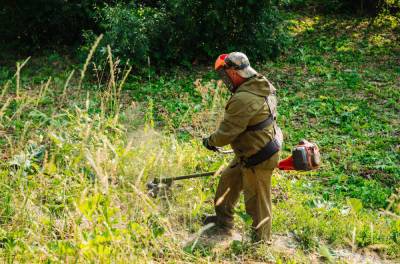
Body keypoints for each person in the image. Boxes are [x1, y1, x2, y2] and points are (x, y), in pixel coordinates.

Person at [202, 52, 283, 243]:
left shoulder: (244, 98)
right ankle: (223, 223)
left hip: (259, 156)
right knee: (228, 182)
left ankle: (261, 242)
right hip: (248, 151)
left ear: (235, 72)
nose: (225, 80)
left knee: (257, 202)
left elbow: (226, 134)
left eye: (225, 75)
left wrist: (210, 141)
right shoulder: (259, 84)